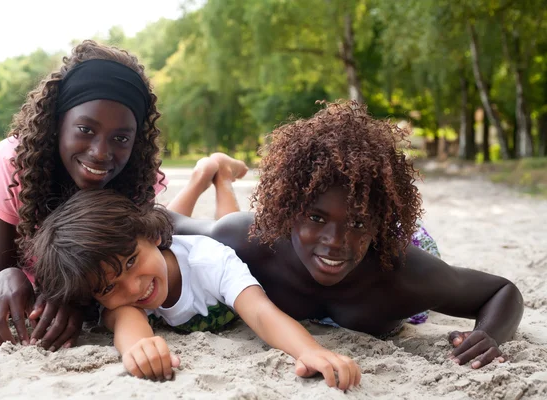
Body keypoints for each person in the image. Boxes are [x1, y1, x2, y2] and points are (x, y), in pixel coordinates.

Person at [171, 100, 525, 370]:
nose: (335, 240)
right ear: (289, 210)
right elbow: (163, 220)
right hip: (260, 231)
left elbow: (501, 291)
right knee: (225, 232)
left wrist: (489, 334)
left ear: (377, 220)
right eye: (315, 217)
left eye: (356, 222)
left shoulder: (404, 273)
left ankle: (221, 176)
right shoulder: (255, 240)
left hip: (404, 241)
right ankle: (216, 175)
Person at [0, 40, 246, 352]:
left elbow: (163, 240)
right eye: (85, 129)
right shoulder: (11, 168)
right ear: (58, 123)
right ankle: (201, 176)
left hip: (146, 223)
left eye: (121, 137)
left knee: (215, 235)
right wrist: (7, 275)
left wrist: (76, 299)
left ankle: (216, 176)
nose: (100, 153)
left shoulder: (130, 173)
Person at [28, 189, 361, 390]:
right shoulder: (122, 298)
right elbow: (126, 320)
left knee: (229, 220)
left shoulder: (210, 261)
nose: (134, 287)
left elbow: (260, 312)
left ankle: (219, 178)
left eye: (131, 262)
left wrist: (309, 351)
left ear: (153, 236)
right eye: (109, 286)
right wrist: (139, 348)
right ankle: (203, 175)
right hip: (169, 247)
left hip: (232, 241)